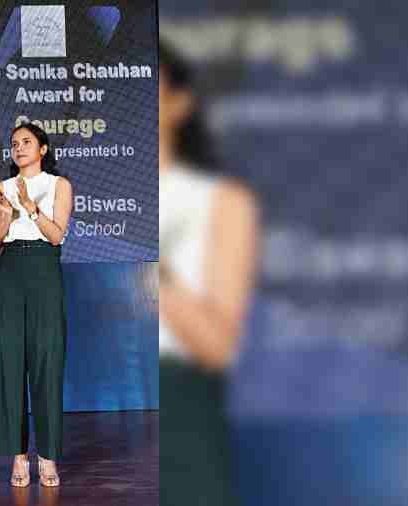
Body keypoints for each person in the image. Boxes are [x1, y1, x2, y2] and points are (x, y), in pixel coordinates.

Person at [158, 40, 259, 506]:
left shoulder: (223, 201)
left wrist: (163, 280)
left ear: (180, 103)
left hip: (187, 401)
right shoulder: (113, 197)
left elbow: (219, 348)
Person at [0, 122, 73, 488]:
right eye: (14, 143)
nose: (19, 148)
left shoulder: (60, 185)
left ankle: (47, 456)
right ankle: (18, 456)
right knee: (10, 361)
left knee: (47, 360)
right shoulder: (0, 189)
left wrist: (30, 207)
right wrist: (6, 214)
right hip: (10, 270)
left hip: (44, 268)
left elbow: (57, 236)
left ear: (43, 149)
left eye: (26, 142)